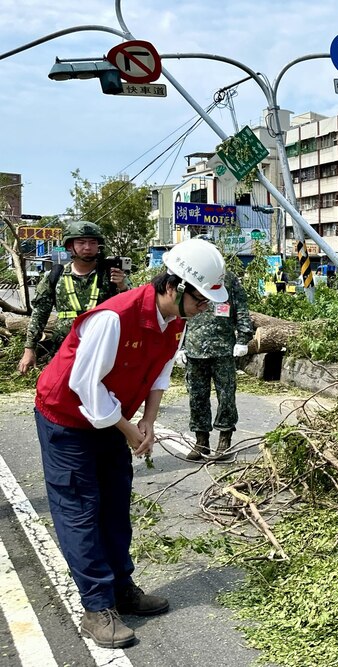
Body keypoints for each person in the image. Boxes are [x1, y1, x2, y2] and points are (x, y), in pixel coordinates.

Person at [33, 238, 228, 649]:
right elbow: (85, 386)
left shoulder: (174, 320)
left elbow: (160, 372)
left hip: (110, 416)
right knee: (81, 508)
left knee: (115, 502)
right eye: (200, 300)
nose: (204, 308)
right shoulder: (114, 318)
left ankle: (121, 587)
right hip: (67, 417)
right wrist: (128, 429)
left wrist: (149, 421)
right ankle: (96, 607)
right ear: (173, 286)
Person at [18, 220, 126, 373]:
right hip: (64, 349)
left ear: (99, 246)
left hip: (102, 348)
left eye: (93, 242)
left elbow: (133, 308)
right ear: (70, 246)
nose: (87, 247)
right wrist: (29, 349)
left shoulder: (112, 275)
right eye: (81, 242)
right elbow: (40, 313)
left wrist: (123, 287)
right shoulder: (55, 276)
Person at [178, 269, 255, 462]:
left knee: (226, 395)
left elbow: (241, 307)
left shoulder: (227, 278)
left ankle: (224, 438)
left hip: (223, 348)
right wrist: (178, 346)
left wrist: (243, 338)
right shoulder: (187, 277)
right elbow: (177, 312)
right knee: (197, 396)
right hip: (194, 348)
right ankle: (201, 440)